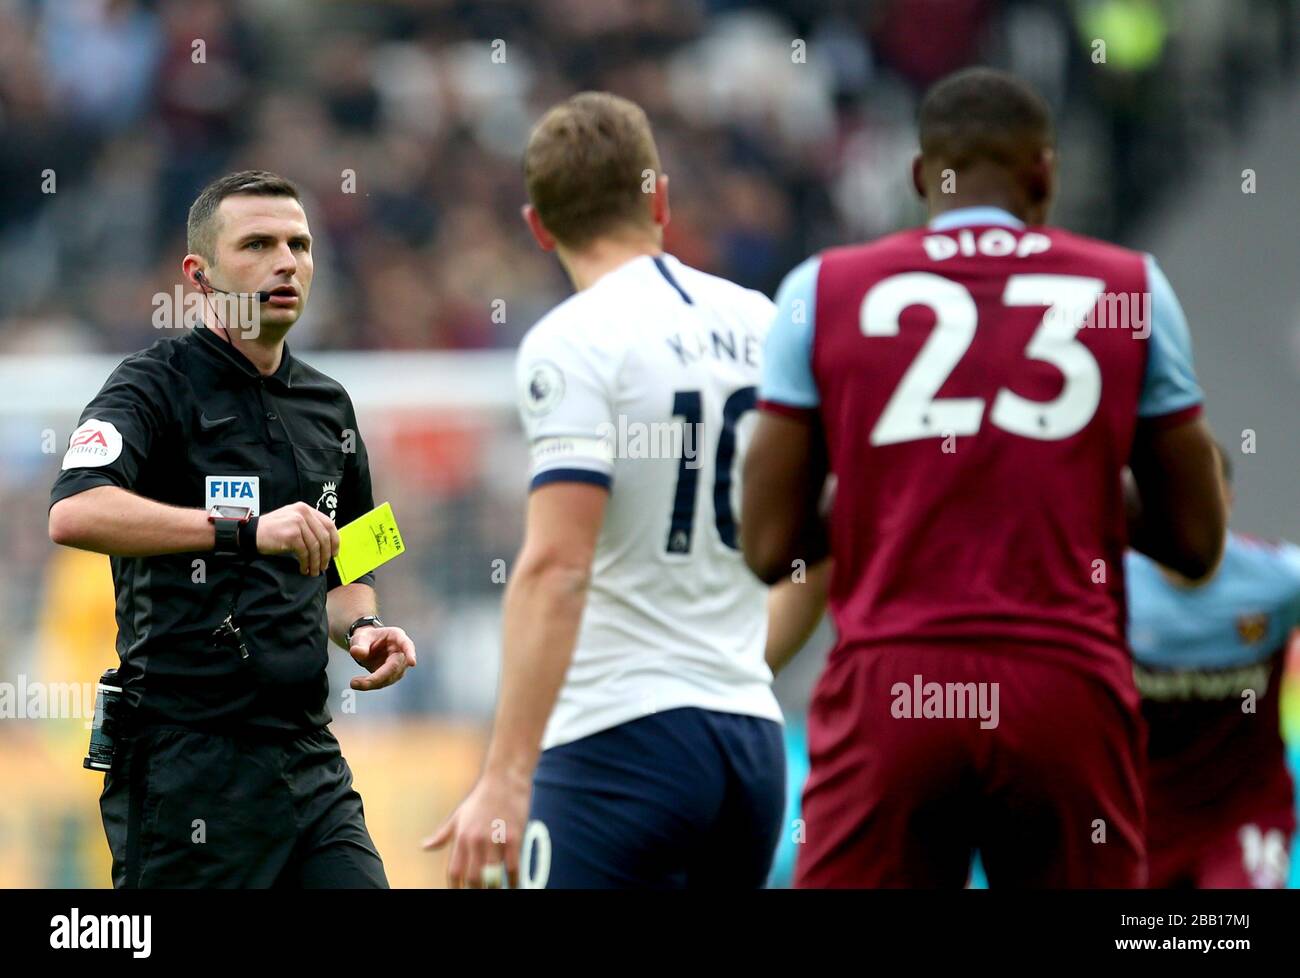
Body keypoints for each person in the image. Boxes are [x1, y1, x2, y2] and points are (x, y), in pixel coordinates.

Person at [741, 67, 1227, 888]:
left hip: (895, 692)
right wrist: (1060, 489)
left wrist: (888, 495)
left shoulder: (820, 289)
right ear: (1044, 171)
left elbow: (767, 545)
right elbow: (1195, 541)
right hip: (1064, 691)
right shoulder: (1132, 286)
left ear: (922, 176)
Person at [423, 92, 828, 889]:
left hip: (617, 742)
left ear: (538, 226)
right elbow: (825, 544)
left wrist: (505, 775)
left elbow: (555, 567)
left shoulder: (574, 342)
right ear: (660, 197)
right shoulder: (766, 323)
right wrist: (741, 666)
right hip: (749, 750)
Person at [48, 170, 416, 888]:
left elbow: (356, 565)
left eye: (299, 244)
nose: (287, 262)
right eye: (257, 244)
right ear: (201, 274)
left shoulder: (330, 405)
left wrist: (367, 631)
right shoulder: (150, 386)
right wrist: (242, 532)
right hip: (187, 765)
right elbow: (74, 511)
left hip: (308, 759)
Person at [1128, 444, 1300, 888]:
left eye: (1201, 497)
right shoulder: (1106, 589)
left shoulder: (1280, 583)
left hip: (1244, 817)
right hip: (1139, 822)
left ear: (1228, 500)